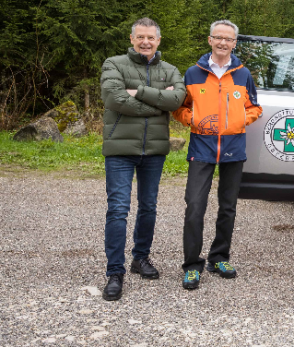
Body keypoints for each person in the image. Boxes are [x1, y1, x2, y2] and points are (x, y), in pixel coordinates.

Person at [100, 18, 186, 301]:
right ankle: (115, 272)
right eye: (140, 37)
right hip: (120, 151)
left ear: (158, 40)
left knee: (148, 207)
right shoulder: (113, 64)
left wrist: (139, 92)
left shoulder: (170, 70)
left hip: (154, 151)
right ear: (132, 38)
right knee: (118, 210)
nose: (145, 42)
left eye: (151, 37)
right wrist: (157, 103)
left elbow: (177, 102)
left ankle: (141, 258)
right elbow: (114, 99)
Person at [173, 20, 263, 290]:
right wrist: (194, 120)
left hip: (234, 149)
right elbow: (179, 108)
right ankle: (191, 265)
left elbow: (255, 107)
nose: (223, 42)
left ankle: (219, 256)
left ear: (235, 43)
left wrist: (239, 120)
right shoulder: (193, 73)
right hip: (201, 148)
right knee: (195, 207)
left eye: (228, 39)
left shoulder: (243, 74)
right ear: (210, 40)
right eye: (218, 38)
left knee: (228, 207)